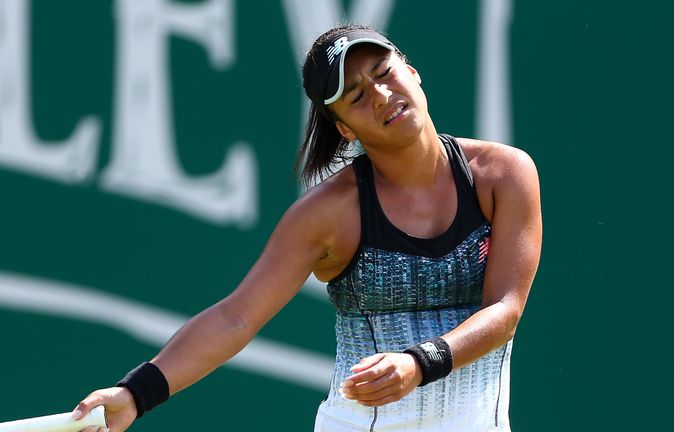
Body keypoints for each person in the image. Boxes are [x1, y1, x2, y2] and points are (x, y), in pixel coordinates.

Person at [73, 24, 542, 432]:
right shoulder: (328, 213)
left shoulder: (504, 174)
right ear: (345, 130)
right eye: (356, 97)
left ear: (411, 71)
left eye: (383, 72)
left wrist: (418, 363)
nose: (380, 95)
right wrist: (135, 394)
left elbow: (506, 308)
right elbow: (236, 317)